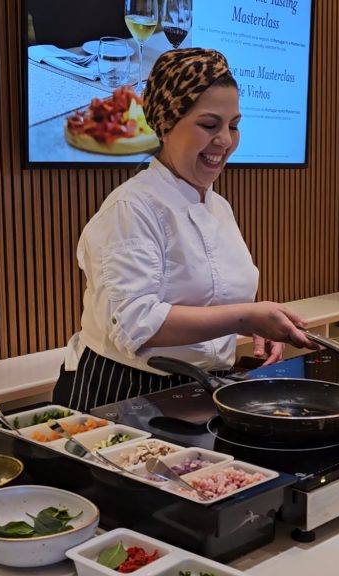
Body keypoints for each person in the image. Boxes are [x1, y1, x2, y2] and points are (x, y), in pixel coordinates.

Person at [53, 48, 318, 412]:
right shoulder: (131, 207)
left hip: (201, 389)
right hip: (125, 392)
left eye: (233, 125)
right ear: (164, 124)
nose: (225, 140)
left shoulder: (219, 206)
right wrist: (247, 316)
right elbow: (136, 323)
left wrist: (257, 327)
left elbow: (213, 301)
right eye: (209, 125)